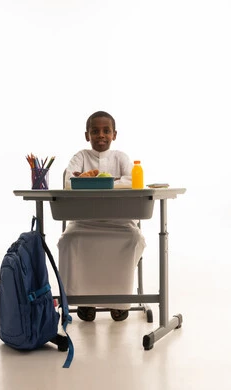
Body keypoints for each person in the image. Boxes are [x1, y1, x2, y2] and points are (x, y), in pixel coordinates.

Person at [57, 111, 146, 322]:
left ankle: (120, 302)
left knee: (133, 239)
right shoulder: (80, 157)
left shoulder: (121, 157)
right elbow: (69, 182)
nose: (101, 135)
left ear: (114, 134)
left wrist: (97, 180)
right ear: (87, 135)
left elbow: (132, 182)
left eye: (106, 131)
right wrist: (112, 180)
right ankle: (83, 300)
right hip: (83, 223)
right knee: (68, 240)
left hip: (121, 223)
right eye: (95, 131)